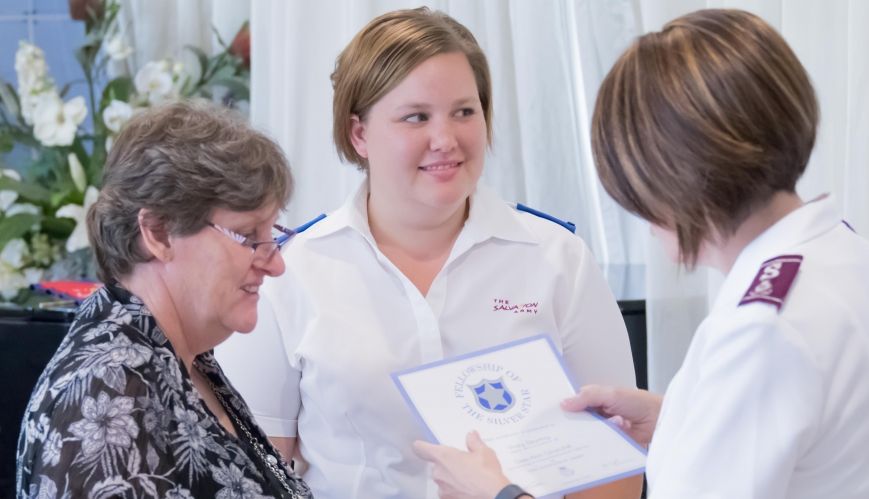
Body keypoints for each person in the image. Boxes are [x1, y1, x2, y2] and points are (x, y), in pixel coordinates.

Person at [413, 8, 869, 499]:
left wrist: (501, 494)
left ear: (672, 173)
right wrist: (676, 419)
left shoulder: (761, 329)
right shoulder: (838, 253)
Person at [216, 7, 640, 499]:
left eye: (465, 111)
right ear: (359, 134)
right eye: (416, 117)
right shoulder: (290, 272)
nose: (446, 140)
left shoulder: (556, 259)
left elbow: (614, 472)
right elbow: (255, 472)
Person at [16, 102, 313, 498]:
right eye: (247, 235)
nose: (275, 264)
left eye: (271, 232)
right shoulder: (108, 393)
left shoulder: (182, 360)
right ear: (158, 233)